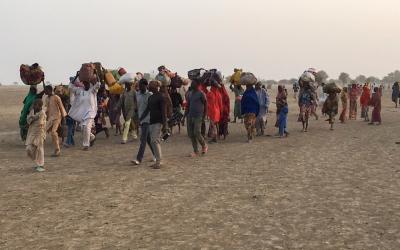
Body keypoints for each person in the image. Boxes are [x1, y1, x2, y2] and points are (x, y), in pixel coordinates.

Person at [68, 72, 100, 150]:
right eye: (84, 83)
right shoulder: (79, 90)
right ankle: (92, 137)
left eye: (87, 83)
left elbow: (98, 83)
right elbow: (71, 86)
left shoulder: (92, 90)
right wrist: (77, 76)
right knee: (82, 128)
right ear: (82, 83)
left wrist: (96, 73)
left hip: (90, 112)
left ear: (90, 84)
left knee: (86, 126)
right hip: (82, 113)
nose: (86, 85)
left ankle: (86, 145)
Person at [139, 81, 167, 169]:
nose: (149, 86)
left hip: (159, 121)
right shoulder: (151, 97)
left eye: (151, 85)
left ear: (156, 86)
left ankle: (159, 161)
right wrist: (140, 119)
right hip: (152, 121)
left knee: (154, 140)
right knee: (153, 141)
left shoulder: (161, 96)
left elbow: (164, 111)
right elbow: (147, 110)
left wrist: (165, 124)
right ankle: (158, 160)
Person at [132, 79, 155, 165]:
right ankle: (156, 155)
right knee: (148, 139)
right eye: (139, 85)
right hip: (141, 119)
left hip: (148, 119)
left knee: (143, 139)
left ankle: (139, 159)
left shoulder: (150, 95)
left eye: (141, 85)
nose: (140, 87)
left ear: (146, 86)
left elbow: (149, 109)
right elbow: (137, 107)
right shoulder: (137, 94)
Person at [186, 80, 208, 156]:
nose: (192, 84)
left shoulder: (201, 94)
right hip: (190, 116)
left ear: (198, 85)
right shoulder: (190, 93)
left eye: (193, 83)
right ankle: (195, 151)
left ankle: (204, 145)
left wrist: (204, 116)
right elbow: (188, 105)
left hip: (198, 116)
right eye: (191, 83)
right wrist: (184, 116)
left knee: (197, 132)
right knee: (191, 134)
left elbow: (205, 105)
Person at [43, 85, 67, 157]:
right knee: (42, 132)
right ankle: (37, 147)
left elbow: (61, 107)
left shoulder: (56, 97)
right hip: (50, 118)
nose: (45, 92)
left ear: (49, 90)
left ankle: (57, 150)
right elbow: (47, 109)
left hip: (57, 117)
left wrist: (63, 118)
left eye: (46, 90)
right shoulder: (47, 98)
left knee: (53, 132)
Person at [26, 99, 46, 172]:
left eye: (35, 105)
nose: (34, 106)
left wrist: (34, 117)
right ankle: (37, 161)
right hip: (32, 133)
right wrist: (32, 117)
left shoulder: (42, 113)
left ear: (40, 106)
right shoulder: (32, 112)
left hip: (40, 133)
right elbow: (28, 121)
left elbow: (41, 122)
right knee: (29, 148)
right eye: (34, 105)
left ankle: (41, 165)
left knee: (40, 149)